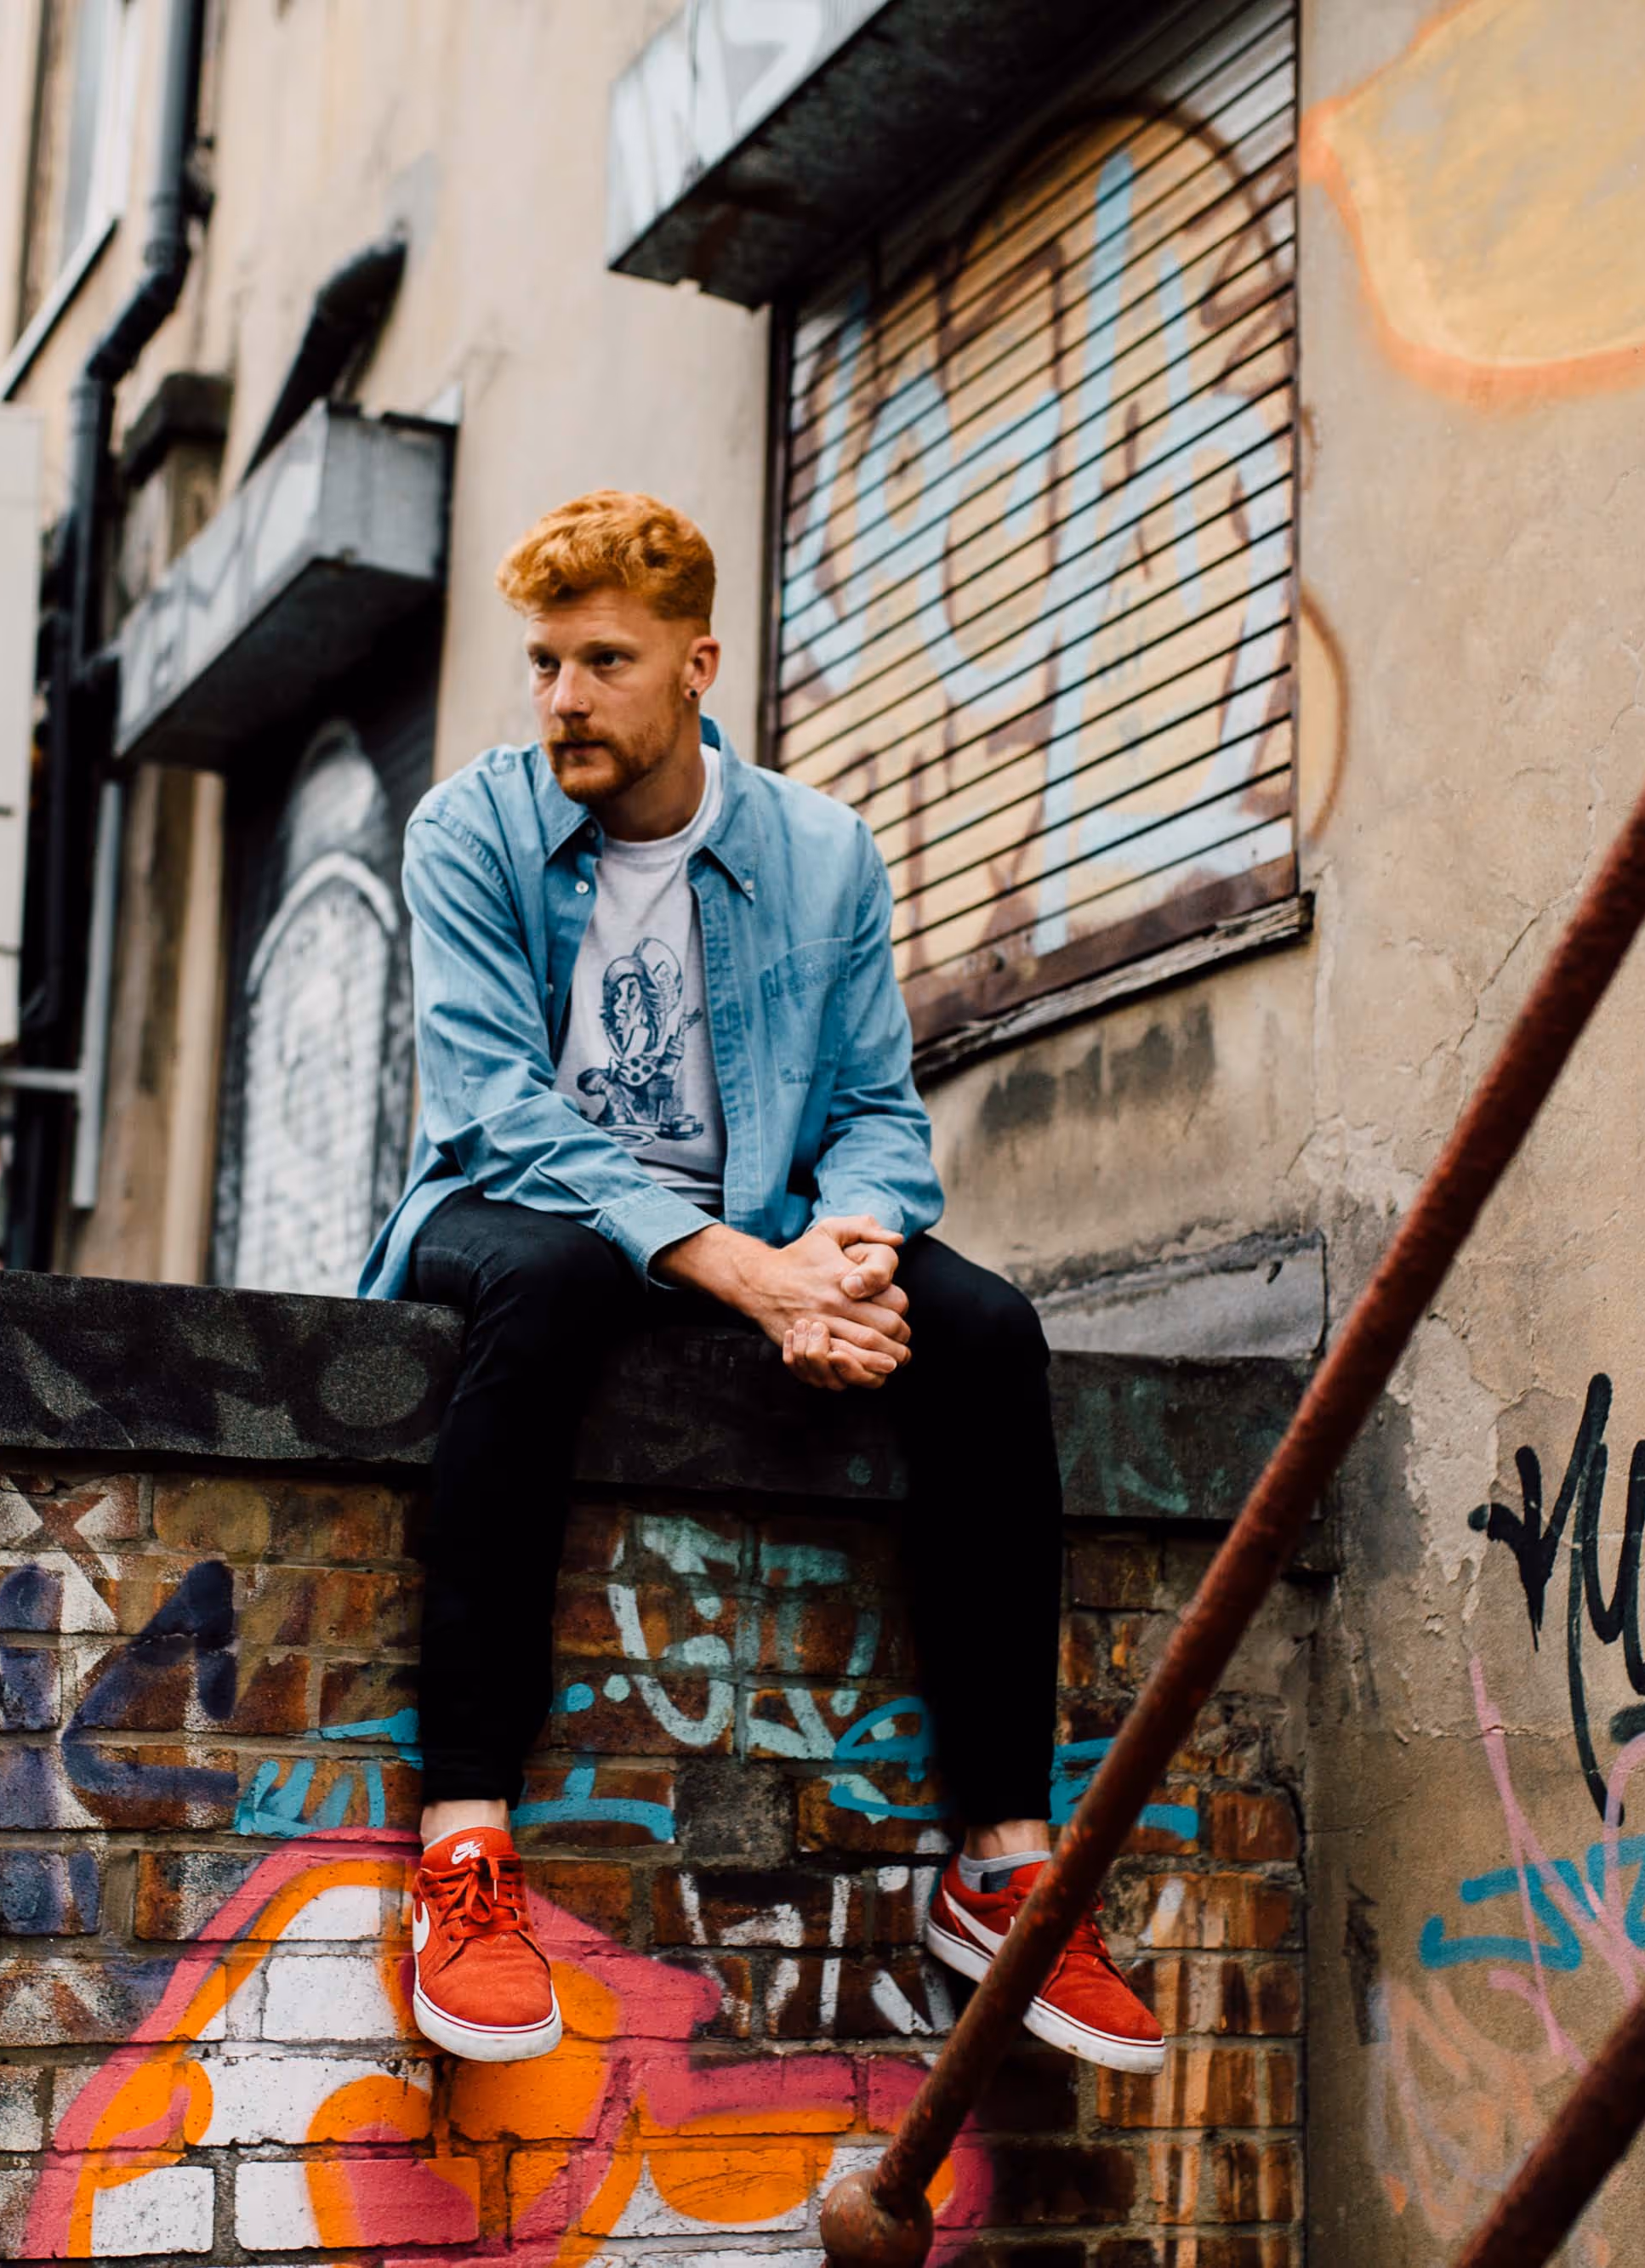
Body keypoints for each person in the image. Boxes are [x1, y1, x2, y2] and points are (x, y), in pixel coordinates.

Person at [354, 490, 1166, 2074]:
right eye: (544, 663)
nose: (564, 697)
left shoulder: (820, 852)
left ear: (698, 664)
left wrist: (846, 1258)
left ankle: (1003, 1864)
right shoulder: (469, 831)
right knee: (553, 1283)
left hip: (772, 1223)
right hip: (514, 1208)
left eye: (604, 660)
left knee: (988, 1329)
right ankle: (465, 1845)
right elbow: (495, 1109)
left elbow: (876, 1110)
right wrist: (754, 1278)